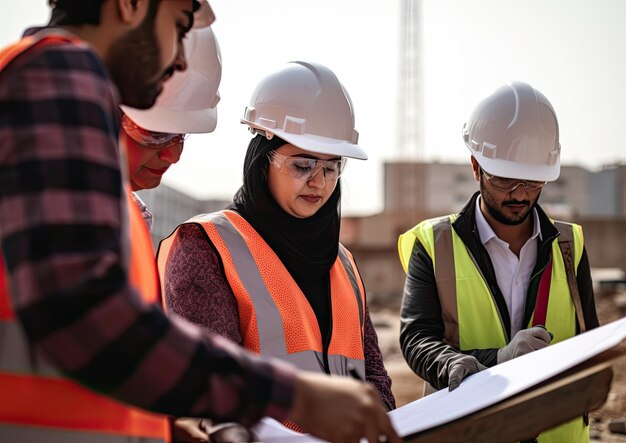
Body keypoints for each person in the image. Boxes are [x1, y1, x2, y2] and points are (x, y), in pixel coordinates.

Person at [0, 2, 400, 443]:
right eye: (180, 24)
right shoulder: (58, 73)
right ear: (131, 5)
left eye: (331, 167)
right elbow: (87, 317)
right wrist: (295, 397)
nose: (180, 59)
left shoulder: (48, 89)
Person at [157, 61, 397, 432]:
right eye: (302, 165)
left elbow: (373, 374)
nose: (319, 182)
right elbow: (213, 389)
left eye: (332, 168)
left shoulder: (342, 262)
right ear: (261, 162)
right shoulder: (206, 247)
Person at [397, 81, 599, 442]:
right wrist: (488, 362)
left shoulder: (570, 246)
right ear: (476, 167)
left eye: (533, 181)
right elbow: (417, 338)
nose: (520, 194)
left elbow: (589, 343)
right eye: (505, 179)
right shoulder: (435, 244)